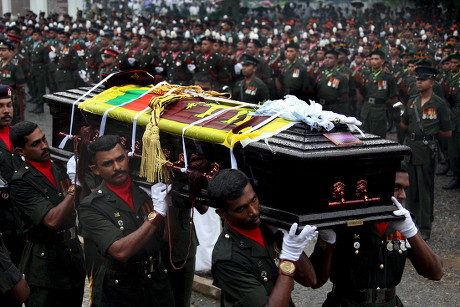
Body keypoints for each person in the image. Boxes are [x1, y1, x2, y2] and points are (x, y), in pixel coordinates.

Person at [311, 163, 444, 307]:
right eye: (396, 188)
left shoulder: (403, 222)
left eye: (405, 189)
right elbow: (316, 280)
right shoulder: (345, 219)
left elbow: (435, 273)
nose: (403, 195)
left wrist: (411, 232)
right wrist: (328, 240)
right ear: (378, 186)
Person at [78, 135, 174, 307]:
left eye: (120, 159)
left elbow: (169, 238)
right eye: (108, 163)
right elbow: (120, 251)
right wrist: (157, 213)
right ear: (96, 169)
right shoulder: (91, 206)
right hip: (120, 289)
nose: (117, 167)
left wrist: (170, 202)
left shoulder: (145, 192)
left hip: (156, 284)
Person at [208, 169, 318, 306]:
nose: (253, 212)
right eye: (241, 209)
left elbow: (311, 280)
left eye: (253, 200)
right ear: (222, 213)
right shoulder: (227, 260)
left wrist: (286, 238)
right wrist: (289, 258)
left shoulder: (267, 227)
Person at [9, 121, 86, 307]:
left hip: (71, 257)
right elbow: (51, 220)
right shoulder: (21, 182)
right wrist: (75, 187)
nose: (44, 146)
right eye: (35, 144)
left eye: (43, 139)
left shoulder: (59, 168)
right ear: (21, 151)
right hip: (44, 267)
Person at [397, 66, 452, 240]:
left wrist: (430, 138)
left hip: (426, 149)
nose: (418, 82)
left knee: (425, 189)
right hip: (411, 147)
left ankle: (426, 226)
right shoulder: (413, 101)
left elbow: (446, 131)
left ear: (432, 82)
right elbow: (404, 125)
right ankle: (411, 222)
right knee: (410, 188)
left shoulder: (439, 104)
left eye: (423, 79)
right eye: (417, 79)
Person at [0, 85, 24, 268]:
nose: (6, 111)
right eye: (0, 106)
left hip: (21, 216)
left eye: (9, 105)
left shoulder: (20, 135)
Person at [359, 49, 398, 138]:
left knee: (378, 136)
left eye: (376, 59)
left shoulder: (388, 77)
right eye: (372, 59)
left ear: (382, 61)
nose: (373, 61)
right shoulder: (366, 76)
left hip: (380, 110)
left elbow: (394, 97)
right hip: (367, 109)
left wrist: (384, 105)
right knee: (365, 135)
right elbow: (362, 94)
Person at [315, 49, 349, 115]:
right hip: (320, 106)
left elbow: (345, 97)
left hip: (333, 108)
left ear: (336, 61)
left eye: (330, 58)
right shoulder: (320, 75)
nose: (327, 60)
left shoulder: (341, 76)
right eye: (326, 58)